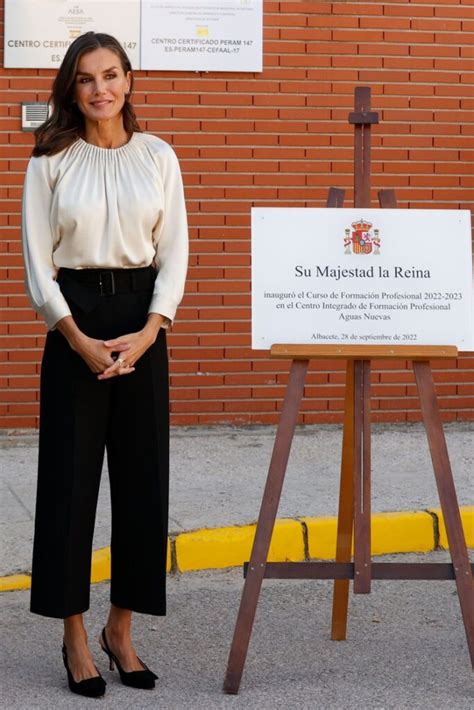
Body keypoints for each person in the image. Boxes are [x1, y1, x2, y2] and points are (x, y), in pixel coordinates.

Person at [21, 32, 188, 697]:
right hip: (75, 322)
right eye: (86, 79)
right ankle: (74, 635)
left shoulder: (158, 156)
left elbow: (174, 250)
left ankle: (122, 629)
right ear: (72, 87)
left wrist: (151, 330)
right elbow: (37, 261)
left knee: (143, 480)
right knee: (69, 484)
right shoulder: (51, 158)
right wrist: (76, 337)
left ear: (128, 79)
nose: (100, 89)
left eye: (111, 75)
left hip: (143, 322)